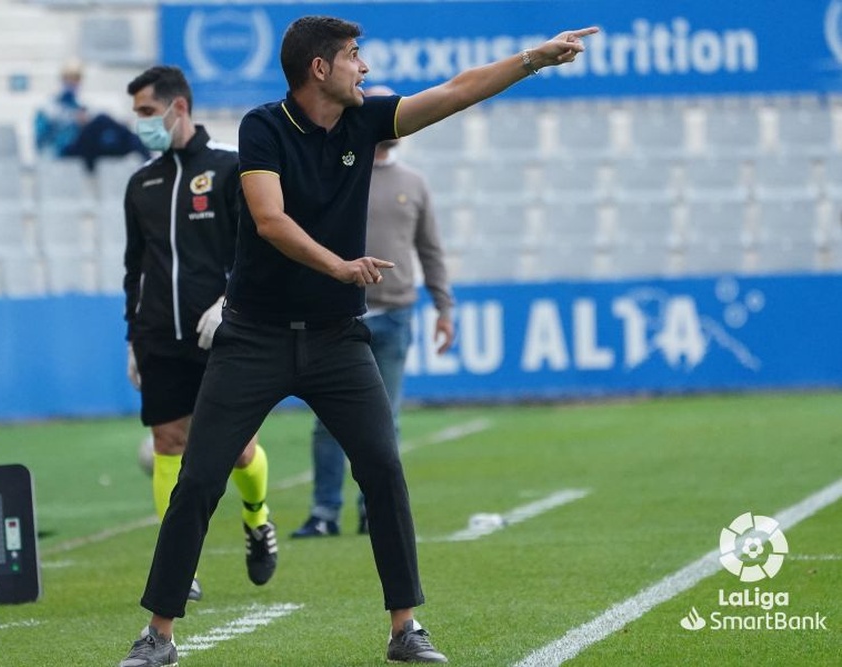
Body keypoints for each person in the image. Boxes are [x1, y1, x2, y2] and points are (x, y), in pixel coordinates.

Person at [118, 17, 598, 667]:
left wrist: (534, 59)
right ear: (320, 68)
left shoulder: (366, 119)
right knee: (199, 479)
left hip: (337, 339)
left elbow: (457, 90)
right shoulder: (263, 128)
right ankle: (159, 635)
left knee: (383, 469)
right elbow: (269, 219)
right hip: (253, 337)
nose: (364, 68)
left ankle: (405, 627)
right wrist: (339, 266)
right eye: (353, 57)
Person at [121, 65, 278, 605]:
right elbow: (133, 266)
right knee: (168, 442)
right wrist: (131, 336)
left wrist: (230, 303)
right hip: (159, 337)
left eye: (146, 111)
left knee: (237, 450)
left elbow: (257, 249)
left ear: (178, 107)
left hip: (224, 334)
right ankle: (177, 567)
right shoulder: (140, 184)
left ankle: (257, 520)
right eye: (137, 113)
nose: (140, 122)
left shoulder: (231, 170)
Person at [291, 84, 455, 539]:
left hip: (395, 313)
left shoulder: (414, 183)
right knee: (326, 422)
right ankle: (324, 510)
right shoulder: (340, 170)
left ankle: (373, 510)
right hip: (339, 315)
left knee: (387, 419)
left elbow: (431, 249)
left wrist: (445, 305)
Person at [35, 59, 150, 171]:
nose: (73, 82)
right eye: (69, 78)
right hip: (63, 151)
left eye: (76, 78)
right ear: (63, 79)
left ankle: (150, 163)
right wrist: (72, 122)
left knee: (118, 138)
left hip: (86, 151)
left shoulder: (79, 105)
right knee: (101, 120)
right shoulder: (48, 107)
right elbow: (42, 141)